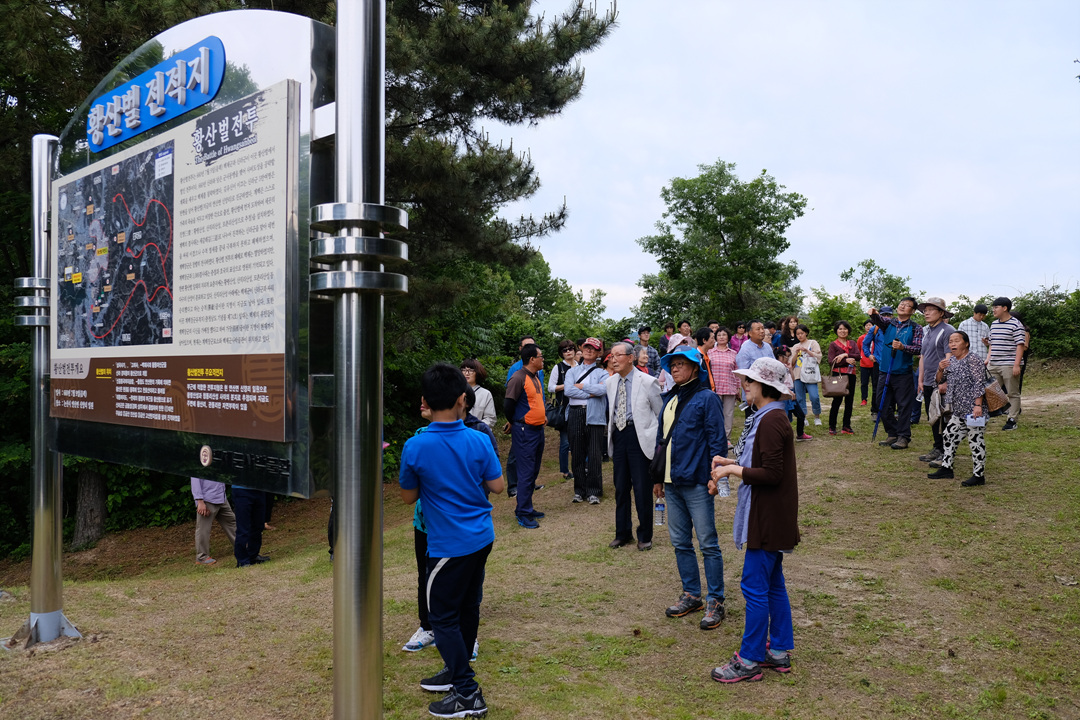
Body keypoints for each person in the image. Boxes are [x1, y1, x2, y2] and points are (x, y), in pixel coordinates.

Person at [399, 363, 504, 717]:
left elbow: (408, 497)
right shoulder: (479, 439)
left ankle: (467, 692)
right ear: (462, 399)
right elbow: (497, 486)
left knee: (441, 616)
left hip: (448, 546)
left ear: (426, 401)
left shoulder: (415, 446)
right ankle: (453, 669)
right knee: (468, 605)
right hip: (481, 537)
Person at [709, 357, 800, 683]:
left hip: (767, 517)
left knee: (755, 586)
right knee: (772, 584)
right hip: (771, 514)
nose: (744, 385)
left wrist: (732, 470)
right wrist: (729, 461)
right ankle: (778, 651)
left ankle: (749, 660)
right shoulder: (767, 416)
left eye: (749, 381)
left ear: (765, 386)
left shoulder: (771, 420)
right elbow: (760, 461)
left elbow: (771, 474)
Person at [654, 346, 728, 631]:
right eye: (672, 365)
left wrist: (715, 476)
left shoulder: (707, 398)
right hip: (671, 482)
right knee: (680, 542)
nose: (675, 368)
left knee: (708, 543)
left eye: (681, 364)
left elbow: (716, 439)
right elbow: (662, 441)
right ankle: (692, 595)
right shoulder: (670, 398)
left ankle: (716, 600)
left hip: (697, 480)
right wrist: (658, 477)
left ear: (695, 368)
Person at [605, 342, 664, 551]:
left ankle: (645, 535)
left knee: (642, 488)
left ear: (631, 358)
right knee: (621, 488)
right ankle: (622, 533)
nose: (613, 360)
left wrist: (658, 443)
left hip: (640, 437)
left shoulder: (648, 381)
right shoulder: (610, 382)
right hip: (619, 436)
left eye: (618, 355)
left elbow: (660, 413)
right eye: (612, 356)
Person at [928, 332, 988, 487]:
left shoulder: (973, 359)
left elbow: (979, 383)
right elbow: (939, 381)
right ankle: (947, 468)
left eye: (956, 341)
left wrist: (978, 405)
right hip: (959, 410)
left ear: (966, 344)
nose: (952, 344)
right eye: (950, 341)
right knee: (948, 435)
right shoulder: (952, 361)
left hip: (973, 409)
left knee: (975, 441)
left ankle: (979, 475)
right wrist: (940, 369)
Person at [869, 298, 923, 450]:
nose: (903, 306)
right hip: (884, 370)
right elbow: (878, 320)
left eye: (907, 305)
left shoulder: (916, 328)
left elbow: (918, 349)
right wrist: (873, 314)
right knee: (881, 403)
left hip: (903, 372)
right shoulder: (889, 323)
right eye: (901, 304)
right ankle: (892, 432)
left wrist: (903, 347)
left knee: (904, 406)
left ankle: (903, 436)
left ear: (912, 311)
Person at [503, 343, 547, 528]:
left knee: (533, 470)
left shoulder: (535, 376)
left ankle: (527, 506)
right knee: (526, 472)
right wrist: (515, 421)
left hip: (537, 430)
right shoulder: (518, 377)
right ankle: (523, 513)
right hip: (524, 431)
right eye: (541, 356)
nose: (543, 359)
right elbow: (508, 404)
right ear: (532, 359)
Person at [563, 337, 608, 505]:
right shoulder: (572, 371)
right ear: (582, 349)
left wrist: (581, 387)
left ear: (598, 352)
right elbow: (568, 391)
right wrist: (591, 393)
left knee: (595, 453)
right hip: (575, 413)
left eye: (593, 348)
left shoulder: (602, 372)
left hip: (595, 415)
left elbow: (604, 389)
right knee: (577, 453)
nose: (589, 350)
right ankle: (579, 490)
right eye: (587, 347)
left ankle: (594, 491)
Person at [915, 297, 956, 462]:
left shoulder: (947, 330)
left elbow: (950, 358)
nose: (926, 312)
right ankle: (937, 448)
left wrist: (945, 381)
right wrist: (920, 379)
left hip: (941, 382)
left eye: (931, 309)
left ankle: (947, 452)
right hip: (927, 381)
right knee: (932, 416)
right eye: (925, 310)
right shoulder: (927, 331)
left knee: (944, 417)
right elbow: (923, 357)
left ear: (941, 313)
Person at [987, 297, 1025, 430]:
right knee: (990, 391)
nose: (993, 310)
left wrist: (1016, 365)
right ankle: (991, 414)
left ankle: (1012, 420)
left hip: (1009, 364)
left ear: (1005, 308)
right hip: (993, 364)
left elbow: (1020, 345)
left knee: (1012, 393)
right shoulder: (993, 324)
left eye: (996, 307)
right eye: (993, 307)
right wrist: (988, 359)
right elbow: (991, 344)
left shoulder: (1016, 325)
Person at [547, 340, 578, 480]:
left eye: (570, 348)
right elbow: (551, 387)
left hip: (580, 406)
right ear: (561, 353)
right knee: (565, 442)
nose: (568, 351)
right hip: (564, 408)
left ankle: (581, 467)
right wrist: (567, 385)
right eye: (565, 350)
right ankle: (565, 471)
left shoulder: (580, 366)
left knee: (580, 440)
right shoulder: (558, 367)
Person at [191, 477, 236, 566]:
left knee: (231, 522)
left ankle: (240, 546)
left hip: (221, 498)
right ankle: (202, 557)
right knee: (203, 529)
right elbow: (195, 480)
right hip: (207, 500)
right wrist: (200, 501)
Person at [708, 326, 740, 447]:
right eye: (719, 335)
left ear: (728, 337)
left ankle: (726, 439)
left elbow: (737, 372)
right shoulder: (710, 352)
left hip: (729, 387)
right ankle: (715, 437)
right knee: (715, 414)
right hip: (714, 388)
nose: (721, 337)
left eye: (724, 335)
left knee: (728, 414)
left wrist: (738, 388)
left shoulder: (734, 354)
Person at [826, 320, 859, 435]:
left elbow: (858, 356)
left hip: (851, 375)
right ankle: (832, 426)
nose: (842, 331)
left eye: (845, 329)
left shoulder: (852, 343)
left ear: (848, 330)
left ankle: (846, 426)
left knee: (849, 401)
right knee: (837, 400)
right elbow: (831, 361)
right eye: (840, 329)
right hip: (838, 375)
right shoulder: (833, 344)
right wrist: (847, 361)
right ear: (836, 331)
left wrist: (845, 354)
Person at [736, 321, 775, 415]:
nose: (762, 331)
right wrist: (748, 395)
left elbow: (774, 366)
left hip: (768, 392)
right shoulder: (745, 349)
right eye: (758, 329)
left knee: (768, 419)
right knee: (754, 421)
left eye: (762, 328)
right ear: (750, 333)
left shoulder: (767, 347)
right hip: (754, 394)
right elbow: (743, 375)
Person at [788, 324, 823, 427]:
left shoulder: (813, 343)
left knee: (814, 396)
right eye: (797, 334)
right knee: (800, 398)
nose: (800, 335)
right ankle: (803, 417)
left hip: (810, 373)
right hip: (798, 374)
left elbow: (818, 356)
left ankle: (817, 416)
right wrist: (796, 353)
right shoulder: (795, 346)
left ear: (806, 333)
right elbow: (791, 363)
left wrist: (807, 351)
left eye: (802, 333)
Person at [232, 484, 269, 568]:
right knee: (243, 528)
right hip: (241, 490)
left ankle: (253, 555)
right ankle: (242, 560)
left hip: (259, 489)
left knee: (258, 525)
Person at [461, 359, 496, 429]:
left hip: (477, 432)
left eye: (471, 370)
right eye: (464, 370)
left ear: (477, 373)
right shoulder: (455, 391)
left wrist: (475, 427)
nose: (467, 373)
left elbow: (490, 419)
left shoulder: (485, 394)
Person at [856, 319, 878, 407]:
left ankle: (875, 400)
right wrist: (861, 357)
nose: (868, 327)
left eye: (870, 325)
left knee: (875, 383)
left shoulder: (876, 337)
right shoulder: (861, 338)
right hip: (864, 364)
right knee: (864, 383)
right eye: (866, 325)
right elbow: (858, 349)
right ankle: (864, 399)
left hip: (874, 363)